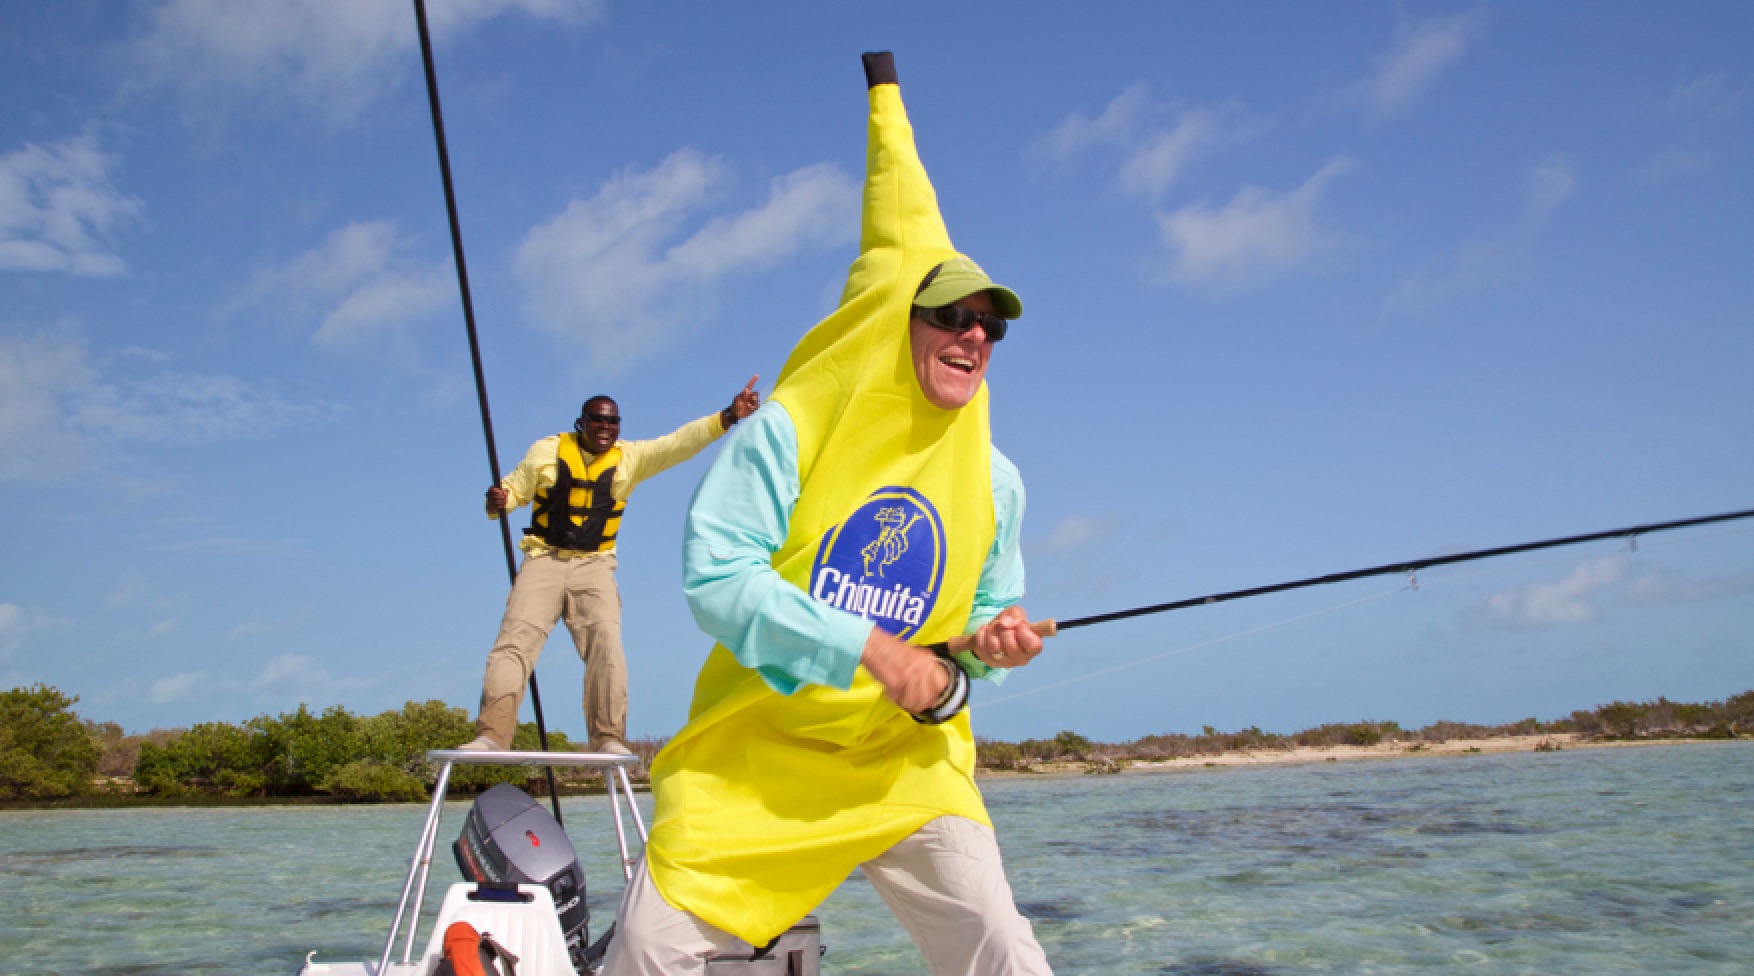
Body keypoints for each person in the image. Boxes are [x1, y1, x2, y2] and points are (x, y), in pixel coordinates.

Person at [602, 53, 1053, 975]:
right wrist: (870, 646)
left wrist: (996, 643)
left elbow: (981, 620)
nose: (973, 335)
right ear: (895, 326)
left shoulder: (999, 480)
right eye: (949, 315)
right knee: (646, 949)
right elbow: (718, 579)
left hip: (903, 765)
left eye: (989, 324)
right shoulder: (788, 430)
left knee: (1003, 947)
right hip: (760, 757)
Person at [462, 379, 762, 755]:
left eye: (612, 422)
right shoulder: (546, 451)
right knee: (514, 644)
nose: (605, 428)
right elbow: (510, 495)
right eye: (597, 421)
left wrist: (730, 415)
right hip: (544, 559)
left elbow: (677, 444)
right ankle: (491, 735)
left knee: (607, 646)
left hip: (595, 566)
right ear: (581, 423)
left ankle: (608, 738)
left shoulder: (629, 458)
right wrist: (497, 501)